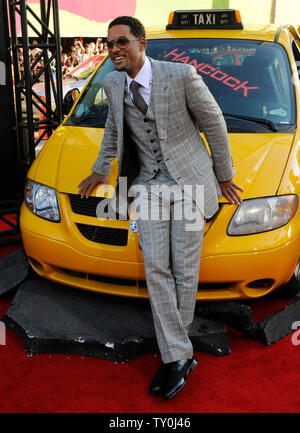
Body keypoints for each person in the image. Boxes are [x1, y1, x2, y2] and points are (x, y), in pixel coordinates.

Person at [78, 16, 243, 400]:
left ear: (141, 43)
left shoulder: (180, 75)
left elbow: (214, 122)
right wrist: (100, 170)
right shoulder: (112, 81)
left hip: (187, 181)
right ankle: (178, 355)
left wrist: (223, 174)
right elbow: (114, 131)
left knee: (184, 268)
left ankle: (174, 352)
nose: (114, 50)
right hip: (149, 184)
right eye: (109, 44)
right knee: (156, 266)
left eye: (121, 42)